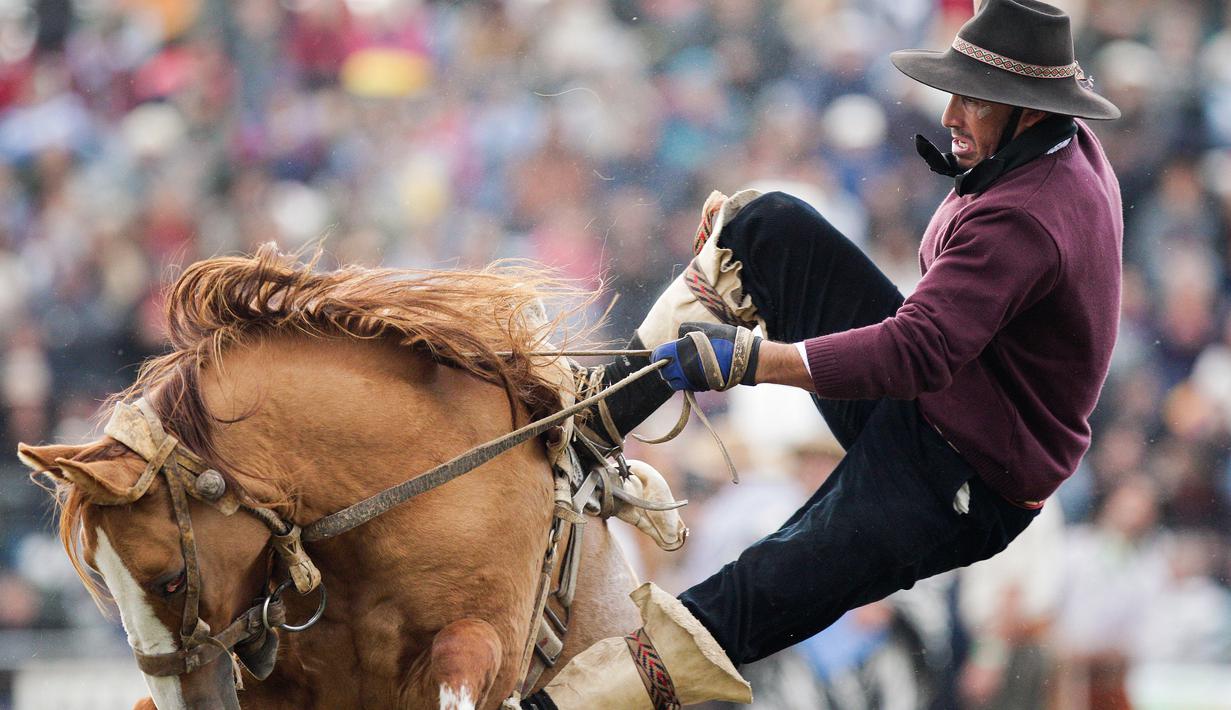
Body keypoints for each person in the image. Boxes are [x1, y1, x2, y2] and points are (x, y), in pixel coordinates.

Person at [522, 0, 1123, 707]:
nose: (953, 114)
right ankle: (582, 433)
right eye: (955, 92)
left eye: (976, 99)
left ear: (1029, 111)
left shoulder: (1027, 213)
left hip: (961, 479)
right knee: (763, 226)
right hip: (937, 404)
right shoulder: (1053, 146)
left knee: (742, 599)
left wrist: (752, 360)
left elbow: (916, 352)